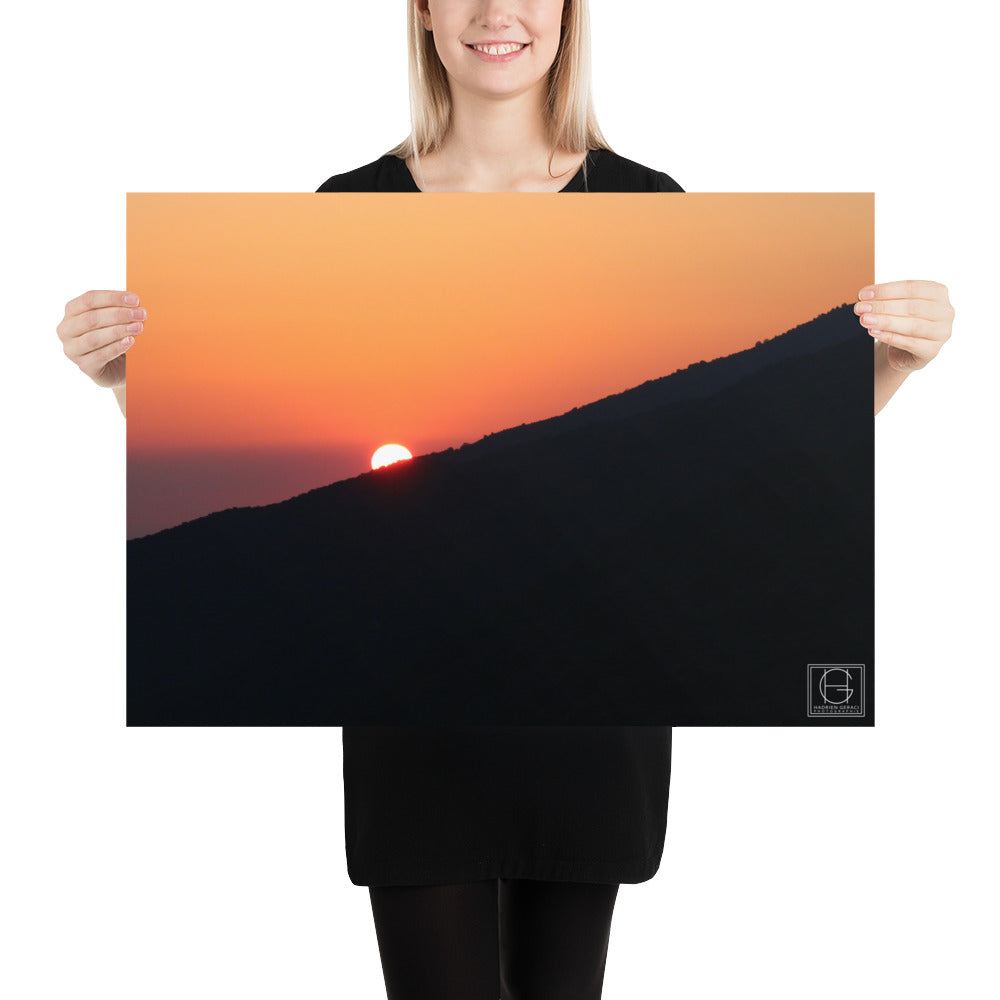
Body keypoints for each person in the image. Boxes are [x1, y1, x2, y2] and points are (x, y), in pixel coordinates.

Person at [55, 2, 954, 997]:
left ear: (568, 16)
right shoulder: (342, 211)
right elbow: (289, 461)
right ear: (425, 14)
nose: (497, 13)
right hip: (410, 701)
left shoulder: (650, 210)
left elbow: (732, 458)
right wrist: (125, 382)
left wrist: (892, 366)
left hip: (592, 698)